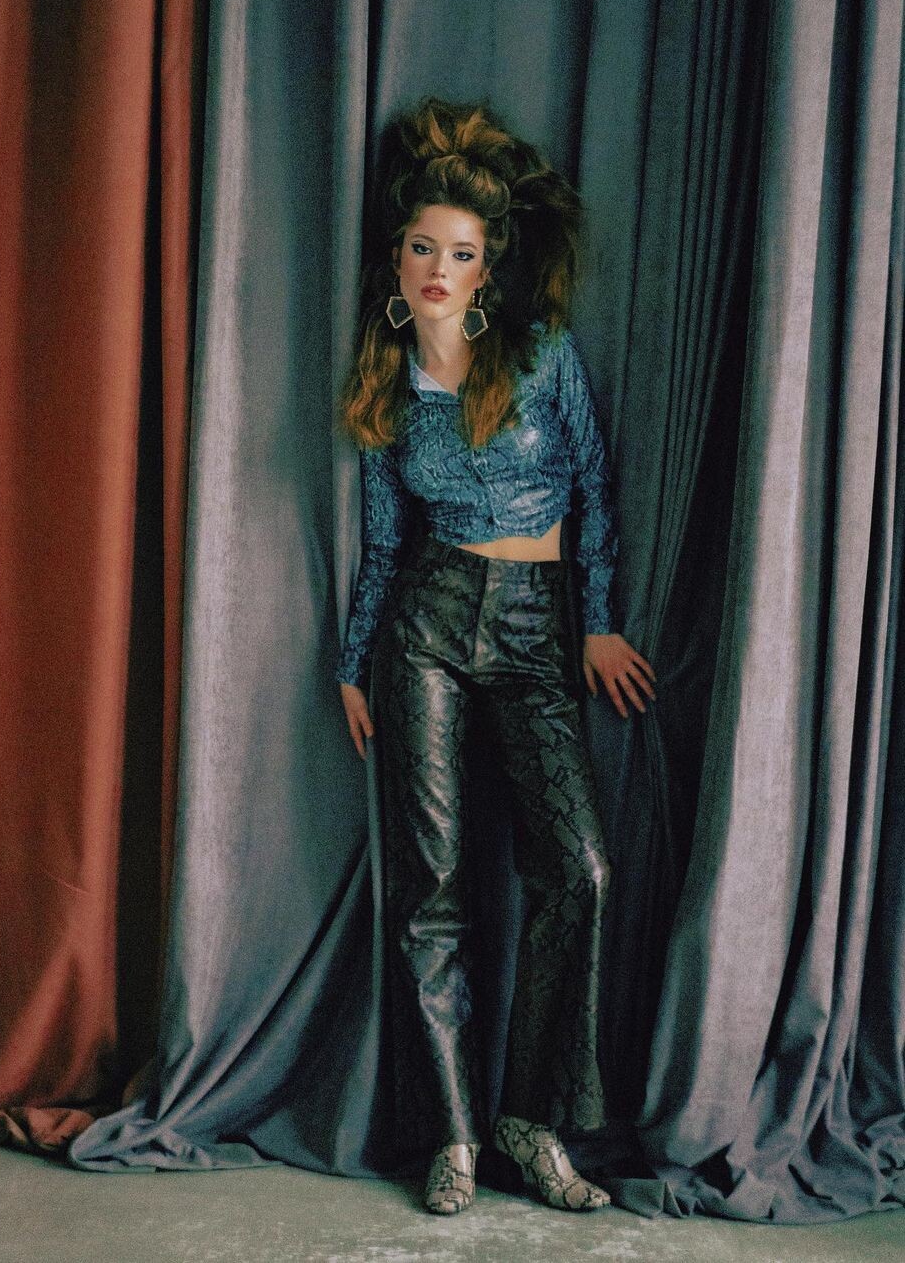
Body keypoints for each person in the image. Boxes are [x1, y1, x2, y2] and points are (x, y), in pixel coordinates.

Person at [334, 97, 657, 1217]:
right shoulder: (387, 386)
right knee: (430, 886)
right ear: (398, 258)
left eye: (461, 253)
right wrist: (353, 662)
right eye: (423, 247)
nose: (439, 269)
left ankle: (531, 1119)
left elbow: (594, 488)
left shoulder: (540, 356)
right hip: (425, 624)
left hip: (532, 625)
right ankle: (456, 1137)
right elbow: (386, 543)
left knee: (580, 871)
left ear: (486, 270)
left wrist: (598, 621)